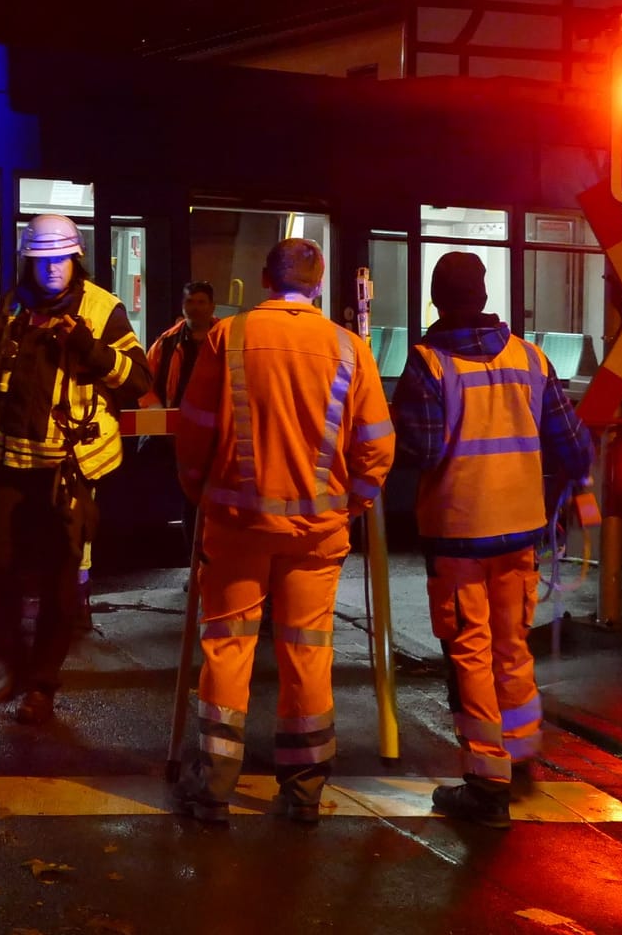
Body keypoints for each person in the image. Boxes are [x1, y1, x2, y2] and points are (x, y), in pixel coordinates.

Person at [171, 238, 395, 825]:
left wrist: (199, 492)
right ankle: (303, 789)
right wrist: (353, 504)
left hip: (237, 523)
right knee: (308, 653)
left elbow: (194, 430)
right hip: (317, 534)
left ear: (265, 280)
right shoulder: (349, 348)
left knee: (227, 646)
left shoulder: (228, 337)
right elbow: (376, 445)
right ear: (318, 286)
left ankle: (214, 784)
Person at [393, 251, 592, 829]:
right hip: (521, 532)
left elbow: (422, 451)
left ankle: (486, 781)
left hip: (458, 533)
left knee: (470, 652)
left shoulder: (429, 363)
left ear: (436, 299)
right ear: (483, 296)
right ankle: (522, 749)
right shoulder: (530, 357)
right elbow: (573, 444)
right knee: (512, 643)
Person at [0, 213, 151, 725]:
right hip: (4, 459)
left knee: (58, 582)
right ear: (30, 261)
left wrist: (88, 349)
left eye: (62, 259)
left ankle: (41, 688)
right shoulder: (13, 305)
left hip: (65, 467)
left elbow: (137, 380)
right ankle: (13, 666)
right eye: (43, 260)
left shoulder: (103, 310)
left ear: (77, 258)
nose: (53, 269)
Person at [144, 282, 218, 409]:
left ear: (212, 307)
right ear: (183, 306)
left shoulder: (226, 338)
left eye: (201, 302)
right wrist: (155, 410)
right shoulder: (166, 343)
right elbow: (144, 381)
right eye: (190, 302)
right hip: (176, 419)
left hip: (217, 419)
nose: (195, 308)